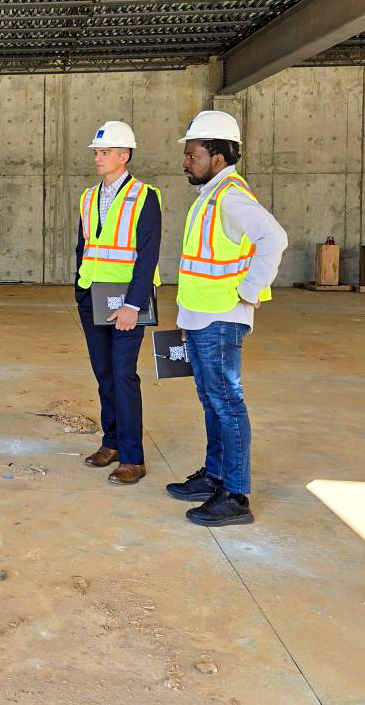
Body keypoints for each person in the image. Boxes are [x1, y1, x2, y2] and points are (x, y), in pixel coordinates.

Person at [170, 110, 286, 526]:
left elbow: (274, 238)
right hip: (204, 315)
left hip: (221, 316)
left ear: (217, 157)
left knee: (227, 403)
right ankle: (215, 476)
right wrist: (186, 314)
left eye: (192, 154)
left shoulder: (231, 196)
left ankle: (235, 496)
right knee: (211, 400)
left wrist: (250, 291)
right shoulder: (211, 196)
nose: (186, 162)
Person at [75, 121, 162, 485]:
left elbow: (148, 255)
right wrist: (79, 290)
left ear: (124, 156)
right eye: (97, 152)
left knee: (124, 375)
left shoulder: (145, 196)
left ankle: (132, 458)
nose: (98, 157)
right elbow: (83, 247)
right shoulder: (88, 196)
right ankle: (110, 443)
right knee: (104, 373)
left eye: (105, 152)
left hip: (128, 301)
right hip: (92, 297)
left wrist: (132, 305)